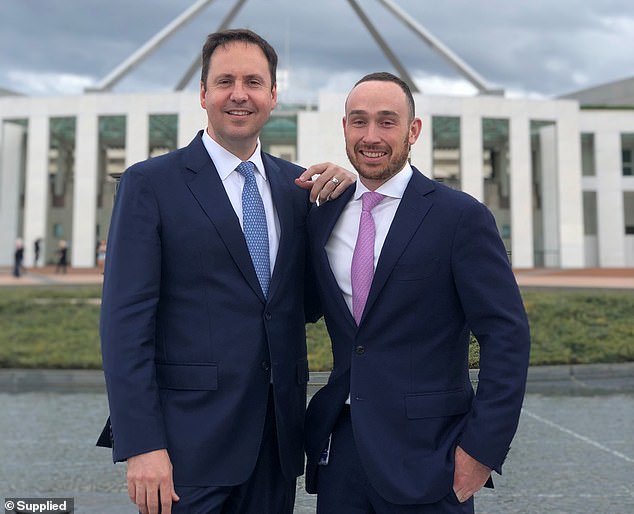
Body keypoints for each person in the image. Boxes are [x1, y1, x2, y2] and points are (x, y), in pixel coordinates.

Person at [98, 28, 354, 514]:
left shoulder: (298, 190)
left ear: (273, 95)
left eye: (254, 81)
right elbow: (123, 326)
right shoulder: (149, 185)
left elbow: (304, 305)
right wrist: (141, 445)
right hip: (184, 450)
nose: (240, 94)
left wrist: (345, 198)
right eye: (225, 81)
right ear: (203, 93)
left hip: (276, 445)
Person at [304, 72, 531, 514]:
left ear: (413, 131)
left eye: (387, 122)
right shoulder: (321, 213)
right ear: (344, 128)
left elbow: (507, 337)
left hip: (431, 456)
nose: (371, 136)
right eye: (359, 121)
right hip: (341, 452)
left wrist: (481, 452)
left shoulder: (460, 218)